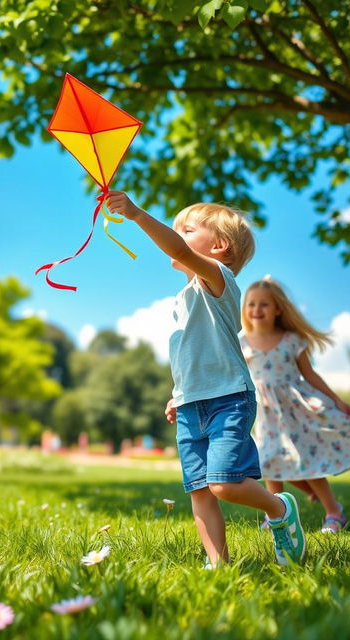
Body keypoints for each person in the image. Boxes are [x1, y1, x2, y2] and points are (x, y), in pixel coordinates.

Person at [105, 192, 306, 567]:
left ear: (219, 246)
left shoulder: (218, 278)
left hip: (228, 397)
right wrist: (177, 394)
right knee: (199, 491)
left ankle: (279, 508)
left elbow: (181, 252)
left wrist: (136, 214)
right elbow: (191, 354)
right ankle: (219, 566)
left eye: (186, 229)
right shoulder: (183, 297)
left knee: (225, 484)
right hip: (191, 402)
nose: (177, 234)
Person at [240, 277, 350, 533]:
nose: (256, 310)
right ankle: (276, 515)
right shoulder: (241, 342)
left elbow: (310, 375)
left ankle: (334, 513)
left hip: (296, 409)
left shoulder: (291, 340)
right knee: (270, 463)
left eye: (264, 305)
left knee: (307, 459)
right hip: (266, 412)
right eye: (251, 304)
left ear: (278, 309)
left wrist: (337, 399)